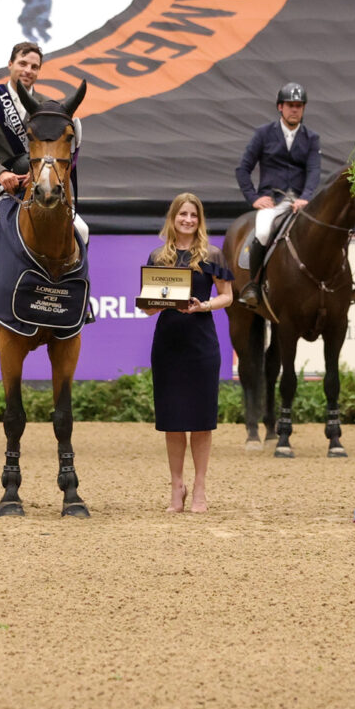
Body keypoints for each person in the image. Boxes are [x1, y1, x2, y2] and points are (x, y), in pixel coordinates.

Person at [0, 41, 87, 320]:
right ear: (10, 64)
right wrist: (1, 173)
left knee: (81, 230)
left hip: (37, 184)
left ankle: (78, 296)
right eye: (23, 63)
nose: (28, 70)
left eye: (34, 66)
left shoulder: (49, 107)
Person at [143, 193, 234, 513]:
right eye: (182, 214)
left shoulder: (212, 254)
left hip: (201, 343)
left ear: (200, 220)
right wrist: (151, 304)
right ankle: (176, 486)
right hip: (167, 344)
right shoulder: (158, 256)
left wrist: (203, 305)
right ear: (173, 217)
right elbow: (149, 308)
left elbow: (228, 296)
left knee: (201, 420)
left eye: (193, 215)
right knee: (172, 421)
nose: (188, 220)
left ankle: (200, 488)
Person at [234, 81, 322, 309]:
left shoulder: (312, 138)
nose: (295, 109)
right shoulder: (264, 134)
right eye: (290, 105)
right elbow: (242, 169)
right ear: (280, 107)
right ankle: (253, 285)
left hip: (301, 202)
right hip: (271, 202)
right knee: (262, 232)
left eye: (299, 105)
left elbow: (313, 170)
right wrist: (253, 198)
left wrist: (306, 197)